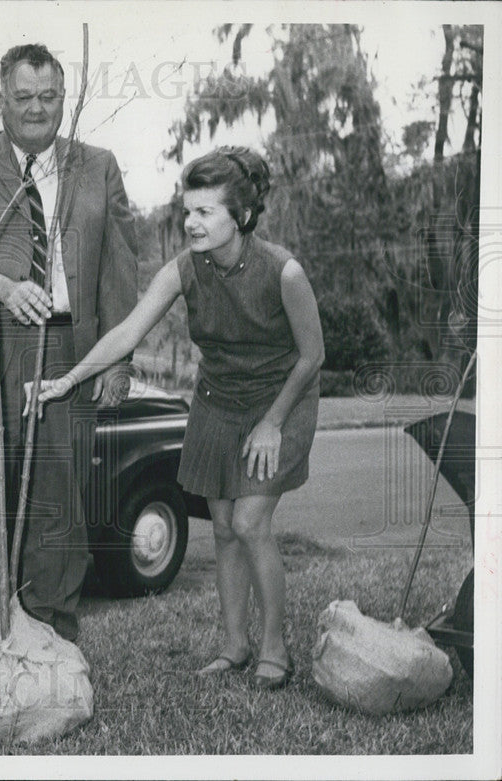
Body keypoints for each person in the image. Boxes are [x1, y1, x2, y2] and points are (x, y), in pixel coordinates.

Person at [32, 147, 324, 688]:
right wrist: (69, 380)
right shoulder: (183, 270)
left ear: (240, 216)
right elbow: (127, 332)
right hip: (216, 400)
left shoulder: (284, 272)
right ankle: (235, 646)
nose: (190, 222)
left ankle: (275, 649)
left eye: (205, 212)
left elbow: (312, 356)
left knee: (249, 523)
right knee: (222, 529)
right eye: (187, 210)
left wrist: (273, 423)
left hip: (280, 399)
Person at [0, 44, 138, 641]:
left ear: (65, 98)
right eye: (23, 98)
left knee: (58, 507)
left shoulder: (98, 165)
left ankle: (53, 641)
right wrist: (0, 286)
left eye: (48, 97)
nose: (37, 110)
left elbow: (120, 269)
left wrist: (118, 359)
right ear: (0, 100)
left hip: (68, 351)